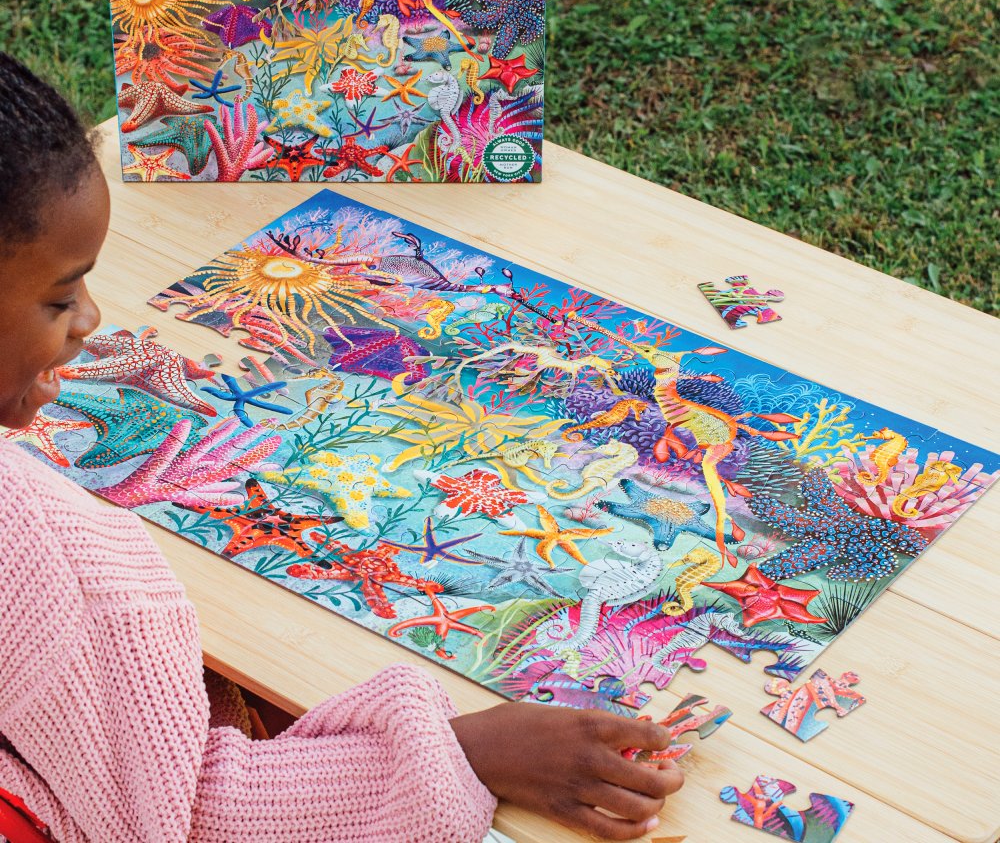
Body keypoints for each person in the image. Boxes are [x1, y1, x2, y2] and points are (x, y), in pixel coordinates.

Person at [0, 52, 684, 843]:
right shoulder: (27, 555)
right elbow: (173, 813)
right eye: (61, 296)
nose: (90, 319)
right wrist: (470, 753)